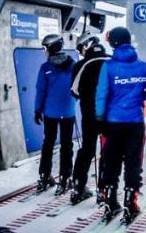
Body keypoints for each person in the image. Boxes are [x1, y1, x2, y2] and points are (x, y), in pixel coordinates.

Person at [94, 26, 146, 223]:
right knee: (133, 161)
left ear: (113, 44)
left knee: (111, 161)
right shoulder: (144, 67)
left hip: (112, 124)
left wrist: (99, 119)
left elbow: (101, 94)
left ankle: (110, 202)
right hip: (135, 123)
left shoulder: (108, 66)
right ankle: (131, 202)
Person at [68, 33, 109, 204]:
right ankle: (105, 190)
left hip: (89, 115)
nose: (80, 52)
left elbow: (74, 91)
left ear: (87, 46)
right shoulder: (112, 61)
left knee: (87, 150)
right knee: (108, 151)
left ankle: (78, 187)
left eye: (80, 48)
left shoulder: (80, 65)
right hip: (110, 115)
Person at [34, 33, 77, 195]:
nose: (44, 51)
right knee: (67, 145)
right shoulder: (73, 65)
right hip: (68, 112)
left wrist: (37, 109)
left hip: (50, 113)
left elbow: (41, 90)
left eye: (44, 48)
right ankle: (65, 178)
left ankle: (44, 176)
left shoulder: (45, 68)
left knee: (48, 144)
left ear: (50, 48)